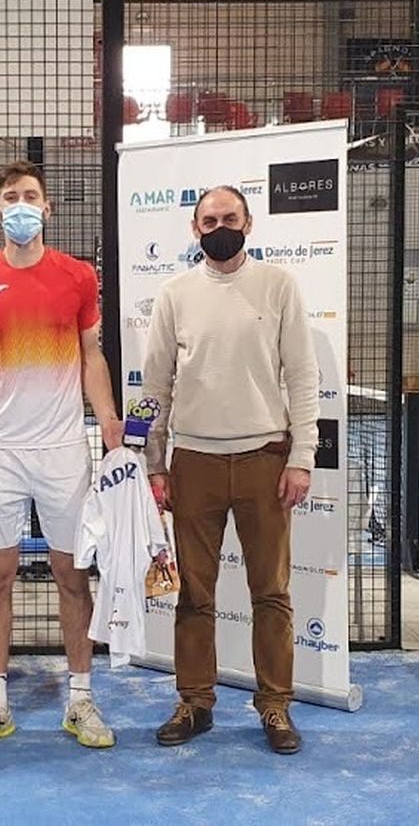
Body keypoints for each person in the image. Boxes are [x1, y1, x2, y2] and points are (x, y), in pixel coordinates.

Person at [0, 160, 124, 751]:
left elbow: (92, 354)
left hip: (63, 451)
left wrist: (106, 417)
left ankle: (80, 698)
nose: (21, 205)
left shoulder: (77, 276)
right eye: (10, 197)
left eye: (31, 196)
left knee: (72, 575)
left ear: (47, 209)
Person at [140, 185, 319, 755]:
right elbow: (155, 387)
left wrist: (302, 456)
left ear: (250, 223)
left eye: (230, 217)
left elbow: (303, 377)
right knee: (194, 593)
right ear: (195, 230)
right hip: (192, 462)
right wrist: (153, 463)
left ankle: (275, 706)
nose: (221, 226)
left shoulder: (279, 286)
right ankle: (194, 701)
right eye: (210, 219)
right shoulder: (174, 295)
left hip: (267, 458)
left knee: (272, 592)